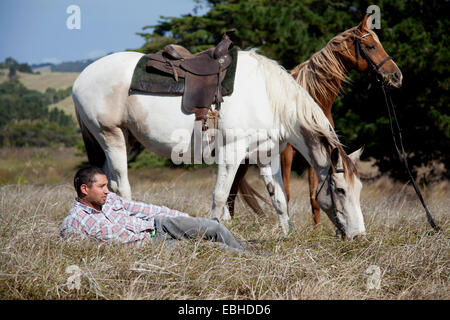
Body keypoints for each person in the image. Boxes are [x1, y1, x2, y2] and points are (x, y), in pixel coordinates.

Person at [60, 166, 248, 251]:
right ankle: (250, 257)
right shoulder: (74, 222)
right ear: (85, 189)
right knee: (213, 250)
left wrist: (185, 218)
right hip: (151, 246)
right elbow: (79, 249)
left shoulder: (111, 200)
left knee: (212, 227)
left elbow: (145, 209)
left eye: (107, 185)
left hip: (159, 225)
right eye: (102, 187)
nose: (107, 191)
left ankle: (248, 249)